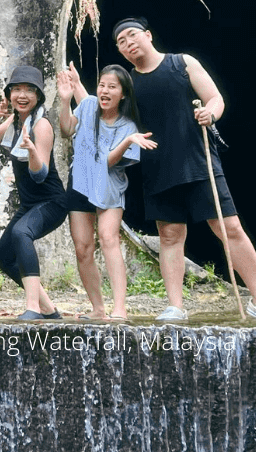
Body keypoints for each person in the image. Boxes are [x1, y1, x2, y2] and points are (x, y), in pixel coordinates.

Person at [112, 17, 256, 321]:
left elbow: (215, 98)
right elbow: (106, 115)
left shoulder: (182, 63)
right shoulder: (128, 83)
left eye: (132, 36)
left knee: (229, 228)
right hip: (158, 166)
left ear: (149, 36)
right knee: (169, 235)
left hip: (199, 160)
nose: (129, 44)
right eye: (121, 42)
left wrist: (211, 113)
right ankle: (175, 306)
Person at [55, 63, 155, 321]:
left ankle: (119, 307)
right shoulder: (87, 105)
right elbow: (66, 130)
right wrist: (66, 100)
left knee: (108, 238)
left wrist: (127, 141)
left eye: (112, 87)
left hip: (109, 187)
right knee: (82, 248)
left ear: (123, 94)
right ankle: (98, 308)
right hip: (81, 182)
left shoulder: (128, 127)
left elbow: (108, 162)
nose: (105, 91)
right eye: (102, 85)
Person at [0, 65, 68, 320]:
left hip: (52, 202)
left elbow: (40, 174)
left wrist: (30, 151)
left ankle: (33, 308)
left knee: (21, 233)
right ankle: (50, 311)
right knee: (3, 256)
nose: (22, 95)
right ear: (9, 94)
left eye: (29, 90)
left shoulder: (41, 126)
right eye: (16, 89)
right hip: (30, 205)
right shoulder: (15, 120)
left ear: (38, 96)